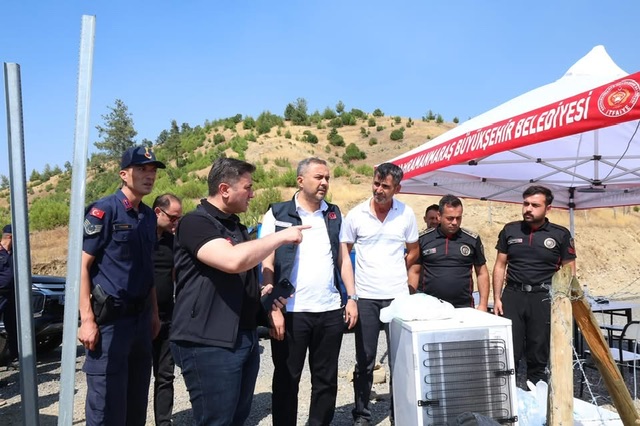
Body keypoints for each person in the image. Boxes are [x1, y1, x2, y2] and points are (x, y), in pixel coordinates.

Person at [170, 157, 309, 426]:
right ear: (224, 189)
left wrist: (261, 294)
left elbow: (233, 275)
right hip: (208, 341)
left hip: (242, 337)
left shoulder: (235, 226)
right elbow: (232, 260)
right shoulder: (195, 222)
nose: (252, 194)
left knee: (236, 418)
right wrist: (281, 236)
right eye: (248, 187)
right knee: (216, 420)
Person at [261, 157, 358, 426]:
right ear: (300, 180)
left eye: (327, 178)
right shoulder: (277, 214)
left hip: (329, 311)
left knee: (326, 380)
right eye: (319, 177)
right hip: (290, 312)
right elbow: (266, 262)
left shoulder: (334, 214)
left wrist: (351, 298)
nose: (324, 182)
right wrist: (272, 308)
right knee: (286, 380)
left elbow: (343, 260)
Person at [78, 145, 164, 426]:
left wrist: (154, 313)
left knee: (135, 403)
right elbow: (81, 267)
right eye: (141, 169)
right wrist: (86, 320)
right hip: (110, 322)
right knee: (106, 406)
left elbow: (147, 269)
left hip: (140, 319)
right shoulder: (104, 210)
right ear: (124, 174)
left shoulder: (148, 216)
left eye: (152, 171)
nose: (149, 176)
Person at [340, 162, 419, 426]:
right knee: (365, 360)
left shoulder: (406, 214)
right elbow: (344, 254)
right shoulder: (356, 215)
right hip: (366, 298)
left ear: (398, 188)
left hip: (397, 299)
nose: (379, 190)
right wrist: (352, 296)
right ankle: (362, 415)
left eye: (385, 186)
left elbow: (413, 250)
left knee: (400, 360)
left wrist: (397, 271)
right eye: (376, 183)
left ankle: (401, 413)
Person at [492, 185, 576, 385]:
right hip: (513, 296)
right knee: (508, 352)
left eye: (535, 205)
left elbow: (569, 271)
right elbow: (500, 265)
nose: (528, 209)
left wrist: (562, 303)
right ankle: (508, 399)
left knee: (538, 354)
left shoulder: (560, 234)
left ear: (548, 208)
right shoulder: (510, 230)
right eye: (526, 204)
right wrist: (496, 298)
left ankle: (536, 397)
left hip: (543, 298)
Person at [409, 195, 490, 310]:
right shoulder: (423, 239)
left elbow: (482, 273)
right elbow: (414, 272)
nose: (455, 222)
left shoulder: (472, 239)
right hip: (430, 307)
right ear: (439, 216)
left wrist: (483, 304)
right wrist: (410, 300)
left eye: (458, 218)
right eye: (450, 218)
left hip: (463, 307)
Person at [151, 193, 182, 426]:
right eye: (172, 218)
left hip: (167, 318)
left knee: (165, 375)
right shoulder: (140, 238)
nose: (176, 223)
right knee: (136, 375)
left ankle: (163, 422)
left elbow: (174, 276)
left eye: (179, 218)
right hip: (141, 318)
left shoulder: (173, 242)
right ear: (157, 212)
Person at [0, 225, 17, 365]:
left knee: (13, 326)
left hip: (12, 295)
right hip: (0, 295)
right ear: (10, 236)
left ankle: (14, 357)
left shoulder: (14, 253)